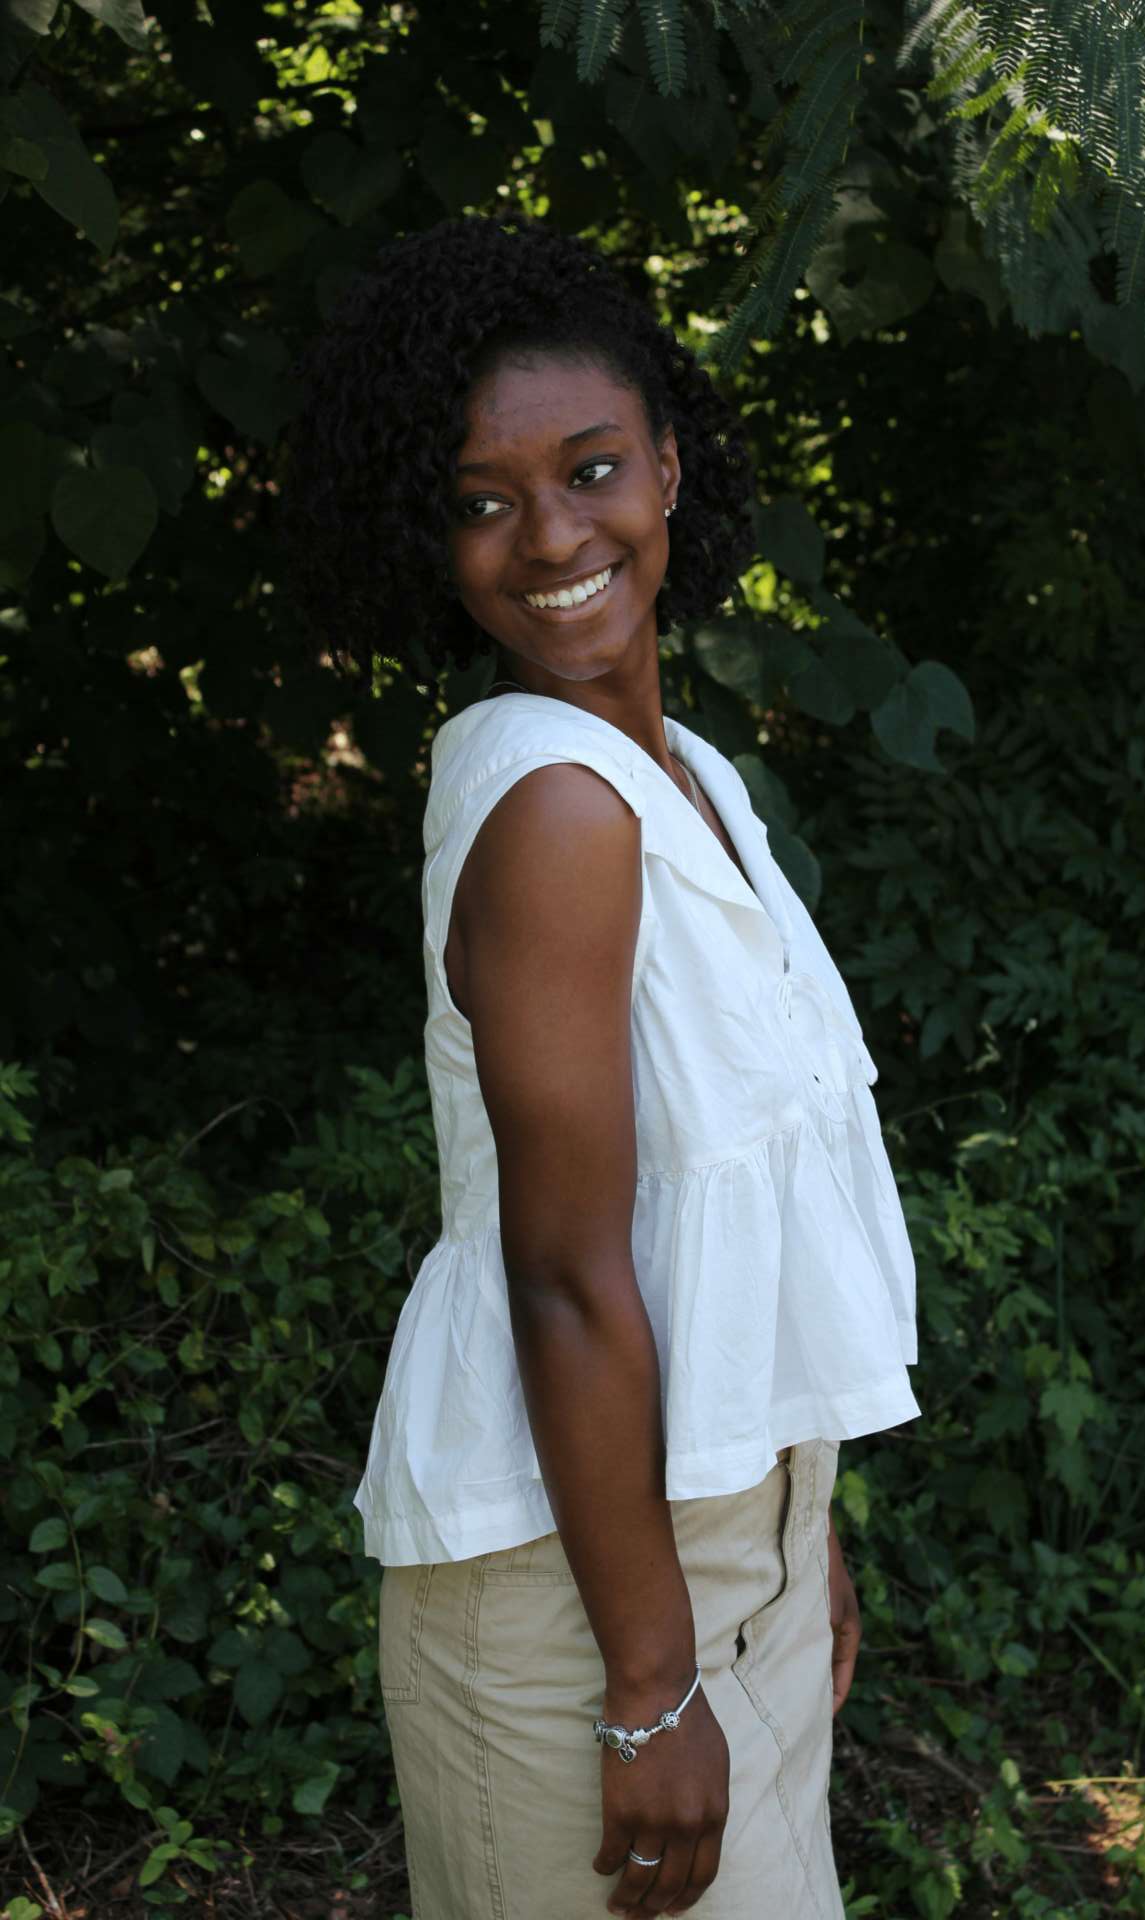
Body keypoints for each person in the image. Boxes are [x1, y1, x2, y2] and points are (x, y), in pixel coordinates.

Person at [283, 212, 921, 1920]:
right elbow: (565, 1272)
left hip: (715, 1564)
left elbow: (724, 1225)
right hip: (582, 1606)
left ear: (670, 467)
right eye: (482, 501)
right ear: (429, 539)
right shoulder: (555, 807)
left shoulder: (682, 775)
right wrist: (651, 1682)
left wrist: (794, 1529)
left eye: (590, 469)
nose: (553, 536)